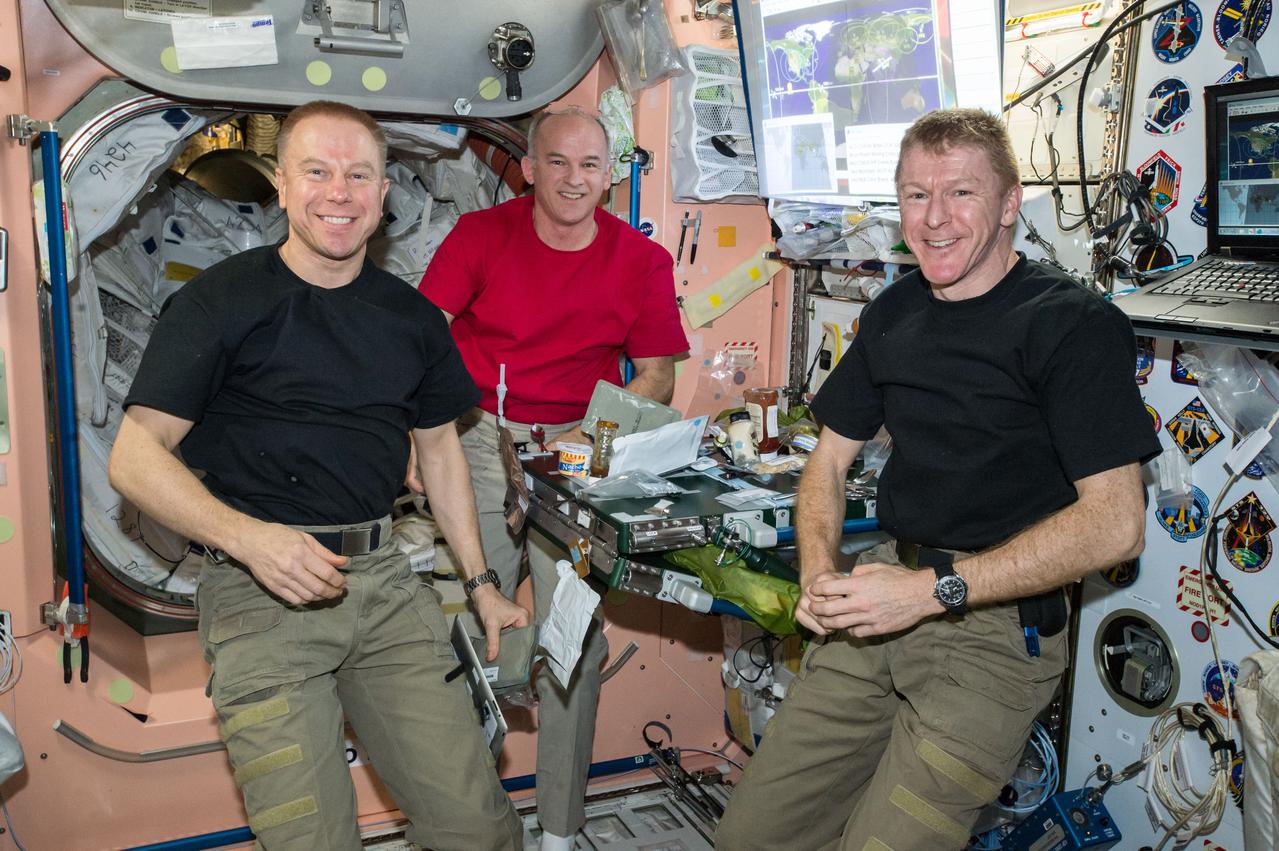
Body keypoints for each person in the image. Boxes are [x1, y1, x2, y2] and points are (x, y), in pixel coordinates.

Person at [717, 109, 1162, 850]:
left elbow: (1116, 522)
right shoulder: (893, 311)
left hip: (989, 630)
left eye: (959, 193)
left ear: (1009, 202)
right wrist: (820, 572)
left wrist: (931, 591)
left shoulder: (1070, 324)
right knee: (751, 837)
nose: (934, 218)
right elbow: (827, 462)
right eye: (915, 195)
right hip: (884, 591)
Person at [108, 100, 529, 851]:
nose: (339, 192)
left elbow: (439, 453)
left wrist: (482, 585)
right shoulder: (219, 301)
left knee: (478, 825)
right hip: (258, 591)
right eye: (317, 171)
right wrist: (253, 541)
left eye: (358, 174)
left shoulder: (412, 320)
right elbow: (135, 456)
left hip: (385, 585)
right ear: (281, 185)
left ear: (383, 195)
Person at [418, 106, 688, 849]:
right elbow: (420, 335)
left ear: (610, 175)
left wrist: (594, 433)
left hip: (581, 447)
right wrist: (420, 434)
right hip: (479, 432)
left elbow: (659, 374)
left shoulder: (641, 261)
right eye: (558, 163)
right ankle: (462, 821)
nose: (575, 179)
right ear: (530, 168)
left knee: (574, 639)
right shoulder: (480, 237)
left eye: (591, 165)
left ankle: (560, 830)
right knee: (474, 624)